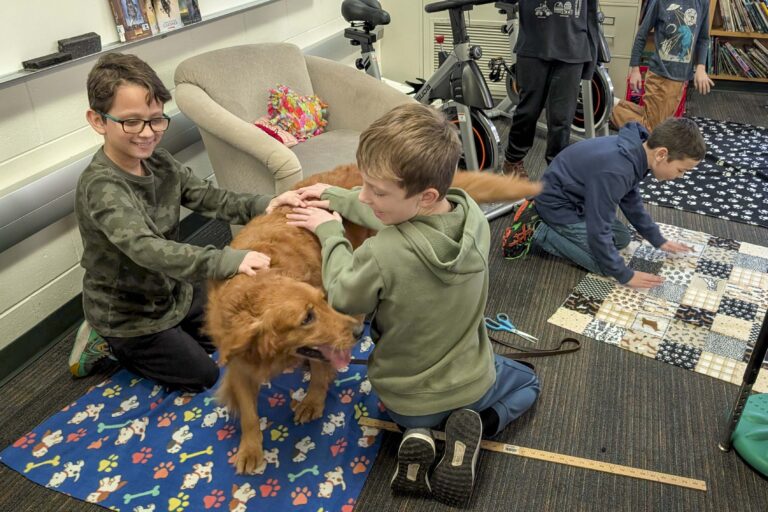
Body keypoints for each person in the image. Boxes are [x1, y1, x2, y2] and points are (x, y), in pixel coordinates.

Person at [286, 103, 540, 506]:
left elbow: (342, 294)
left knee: (414, 407)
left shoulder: (382, 252)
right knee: (528, 381)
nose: (365, 198)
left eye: (377, 191)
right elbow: (390, 210)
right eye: (364, 185)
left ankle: (416, 434)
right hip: (473, 386)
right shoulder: (473, 214)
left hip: (403, 402)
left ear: (425, 197)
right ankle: (481, 424)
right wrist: (338, 195)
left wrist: (331, 231)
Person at [68, 53, 305, 391]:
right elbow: (150, 251)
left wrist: (269, 204)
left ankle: (176, 330)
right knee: (202, 376)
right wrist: (229, 261)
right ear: (97, 120)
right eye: (131, 122)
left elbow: (210, 198)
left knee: (235, 331)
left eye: (155, 120)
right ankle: (103, 338)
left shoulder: (159, 160)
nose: (147, 133)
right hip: (129, 316)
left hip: (172, 290)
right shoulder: (102, 186)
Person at [503, 117, 706, 290]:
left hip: (578, 199)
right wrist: (625, 275)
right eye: (681, 170)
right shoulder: (616, 170)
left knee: (622, 238)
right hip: (557, 206)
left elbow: (630, 197)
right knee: (605, 266)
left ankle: (546, 221)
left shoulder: (637, 151)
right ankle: (539, 230)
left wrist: (656, 238)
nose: (680, 177)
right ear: (662, 154)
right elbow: (598, 226)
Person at [502, 0, 601, 177]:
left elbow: (591, 15)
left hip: (573, 50)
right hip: (534, 47)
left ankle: (556, 171)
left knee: (562, 119)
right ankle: (513, 160)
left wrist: (591, 60)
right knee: (528, 111)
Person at [611, 0, 713, 130]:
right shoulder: (660, 2)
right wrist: (635, 69)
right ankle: (609, 111)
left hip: (681, 78)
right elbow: (642, 34)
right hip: (659, 75)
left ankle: (614, 104)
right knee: (651, 128)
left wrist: (701, 67)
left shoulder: (702, 3)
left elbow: (703, 39)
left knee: (655, 118)